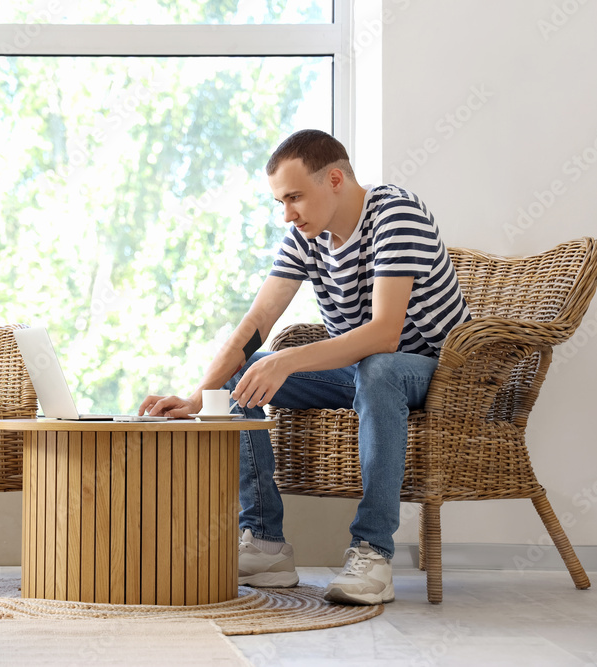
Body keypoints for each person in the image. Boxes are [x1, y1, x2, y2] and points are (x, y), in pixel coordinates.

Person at [138, 129, 471, 605]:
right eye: (280, 202)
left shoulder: (395, 214)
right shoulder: (305, 236)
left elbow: (384, 334)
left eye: (294, 197)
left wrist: (290, 360)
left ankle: (373, 552)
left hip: (437, 373)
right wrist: (198, 398)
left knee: (378, 367)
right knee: (244, 374)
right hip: (362, 370)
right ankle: (265, 542)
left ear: (334, 179)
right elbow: (256, 321)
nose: (288, 213)